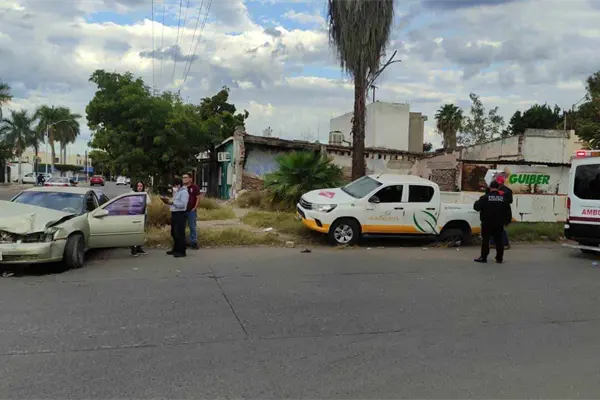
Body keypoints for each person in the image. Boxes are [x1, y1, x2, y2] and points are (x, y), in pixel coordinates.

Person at [473, 181, 512, 264]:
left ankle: (484, 257)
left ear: (490, 188)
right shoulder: (503, 199)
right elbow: (508, 212)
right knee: (499, 241)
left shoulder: (485, 198)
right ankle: (499, 258)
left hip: (487, 223)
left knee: (485, 240)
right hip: (499, 223)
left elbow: (476, 207)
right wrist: (507, 221)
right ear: (498, 188)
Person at [162, 176, 189, 258]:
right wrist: (168, 201)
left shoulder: (184, 192)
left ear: (178, 184)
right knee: (174, 233)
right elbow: (174, 201)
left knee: (179, 233)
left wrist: (172, 203)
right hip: (174, 213)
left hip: (180, 214)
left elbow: (183, 205)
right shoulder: (177, 192)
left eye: (175, 185)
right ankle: (175, 249)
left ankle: (181, 251)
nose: (174, 187)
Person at [130, 180, 151, 257]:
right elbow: (132, 203)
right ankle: (133, 249)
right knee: (134, 232)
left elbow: (148, 202)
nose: (139, 187)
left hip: (143, 215)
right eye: (138, 186)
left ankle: (139, 248)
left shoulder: (144, 194)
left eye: (141, 186)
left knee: (141, 232)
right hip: (134, 215)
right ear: (136, 186)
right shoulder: (132, 193)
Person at [182, 172, 201, 249]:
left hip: (191, 210)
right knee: (181, 227)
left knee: (192, 227)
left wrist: (195, 207)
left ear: (190, 179)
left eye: (186, 177)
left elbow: (198, 198)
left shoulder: (195, 187)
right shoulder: (182, 187)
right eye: (183, 177)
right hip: (182, 210)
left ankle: (194, 242)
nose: (184, 179)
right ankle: (182, 242)